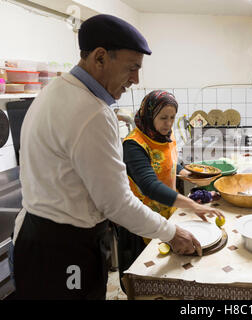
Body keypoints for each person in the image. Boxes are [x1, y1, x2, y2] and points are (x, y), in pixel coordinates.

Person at [12, 14, 203, 300]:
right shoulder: (91, 112)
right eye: (132, 68)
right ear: (100, 58)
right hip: (63, 248)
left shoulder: (54, 92)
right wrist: (172, 233)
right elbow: (117, 202)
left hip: (35, 238)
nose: (136, 80)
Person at [116, 90, 223, 286]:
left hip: (167, 213)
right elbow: (150, 186)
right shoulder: (133, 145)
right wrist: (192, 204)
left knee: (171, 272)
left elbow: (171, 162)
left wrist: (186, 173)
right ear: (149, 115)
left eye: (172, 117)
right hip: (140, 221)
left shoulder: (167, 135)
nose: (168, 123)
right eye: (163, 118)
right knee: (145, 277)